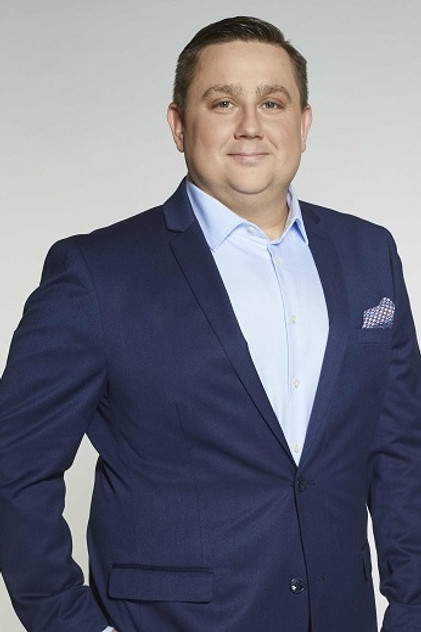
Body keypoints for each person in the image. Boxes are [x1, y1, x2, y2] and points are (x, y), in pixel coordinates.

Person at [0, 15, 420, 632]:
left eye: (272, 103)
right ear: (178, 124)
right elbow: (13, 466)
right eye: (223, 102)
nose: (250, 125)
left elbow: (402, 451)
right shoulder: (96, 273)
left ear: (304, 123)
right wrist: (70, 623)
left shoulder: (369, 254)